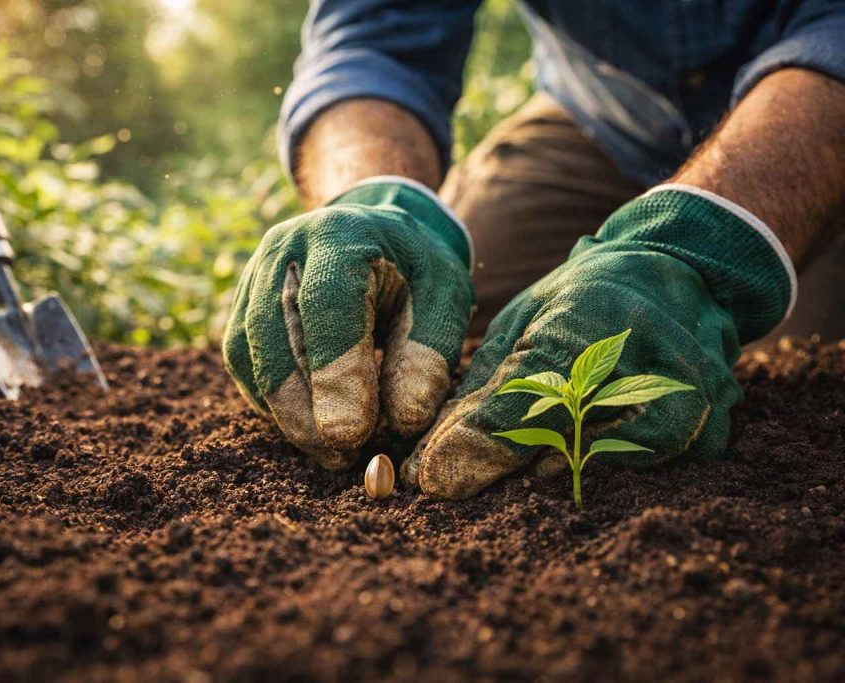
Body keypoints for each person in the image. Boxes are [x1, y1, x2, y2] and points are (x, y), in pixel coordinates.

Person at [222, 1, 845, 498]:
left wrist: (706, 242)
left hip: (815, 119)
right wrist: (376, 195)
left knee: (789, 370)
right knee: (451, 327)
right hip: (607, 123)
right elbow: (374, 40)